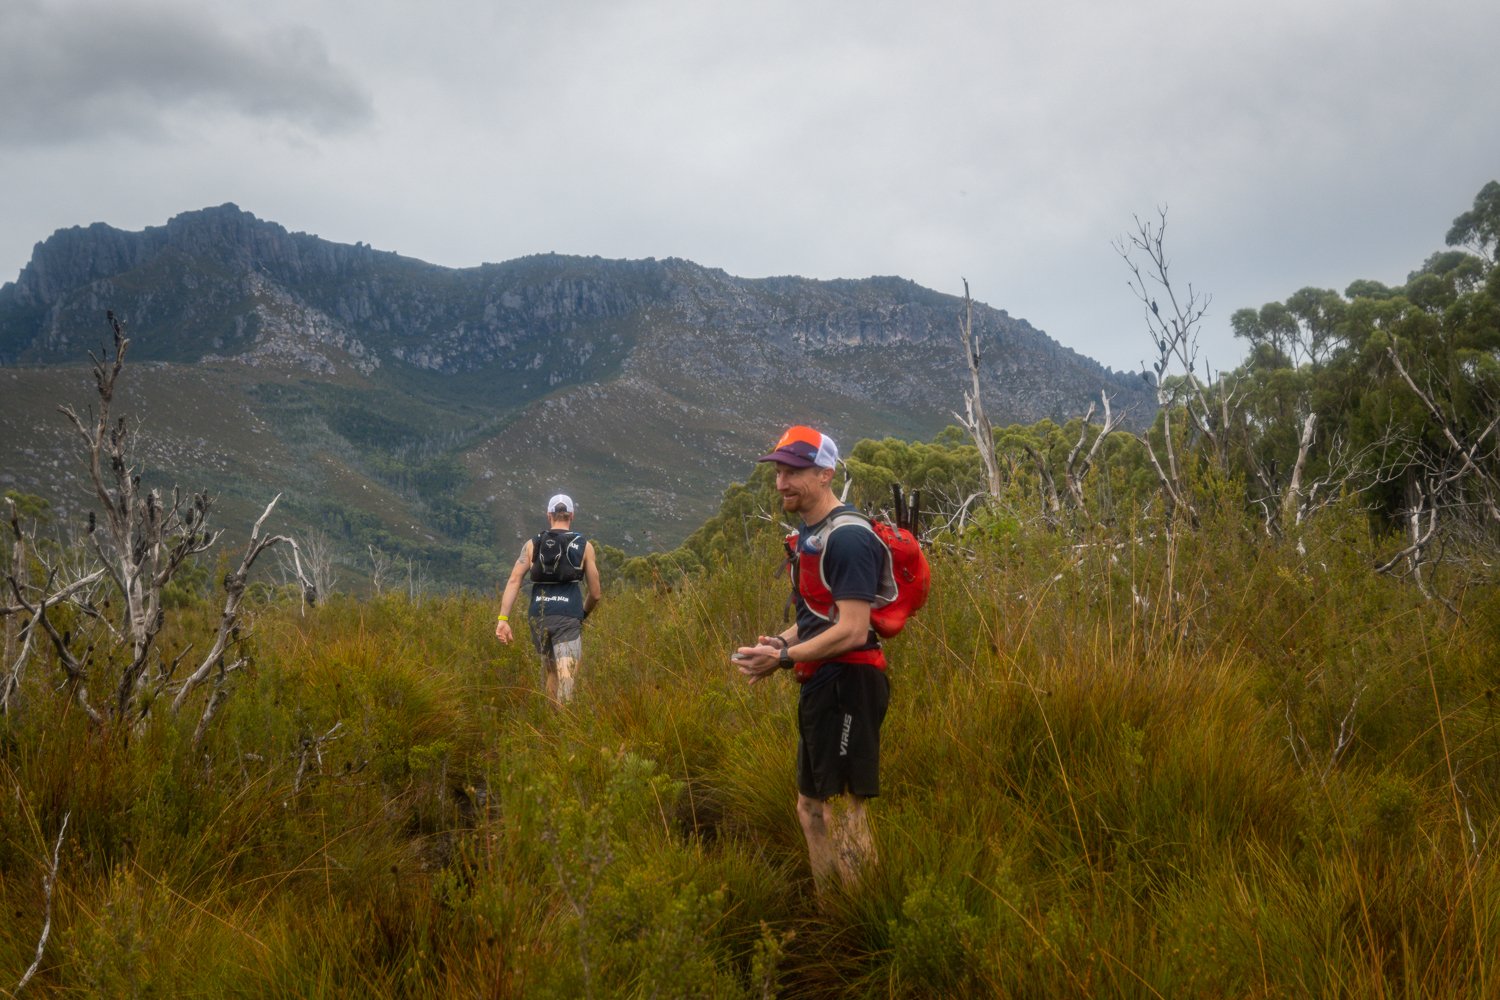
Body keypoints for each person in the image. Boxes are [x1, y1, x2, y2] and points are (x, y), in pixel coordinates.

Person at [733, 425, 891, 895]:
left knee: (843, 811)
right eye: (779, 471)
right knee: (810, 808)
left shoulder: (846, 538)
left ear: (825, 474)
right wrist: (780, 645)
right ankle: (831, 912)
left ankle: (865, 921)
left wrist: (783, 661)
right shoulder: (812, 535)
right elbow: (822, 616)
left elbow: (853, 628)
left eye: (794, 471)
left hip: (851, 683)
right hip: (822, 683)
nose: (782, 482)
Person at [495, 493, 602, 706]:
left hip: (539, 616)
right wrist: (583, 614)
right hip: (568, 615)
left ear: (549, 515)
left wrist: (503, 619)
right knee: (567, 676)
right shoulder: (584, 546)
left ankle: (549, 726)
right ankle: (563, 729)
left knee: (552, 672)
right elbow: (596, 593)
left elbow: (514, 580)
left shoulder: (532, 545)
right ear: (571, 515)